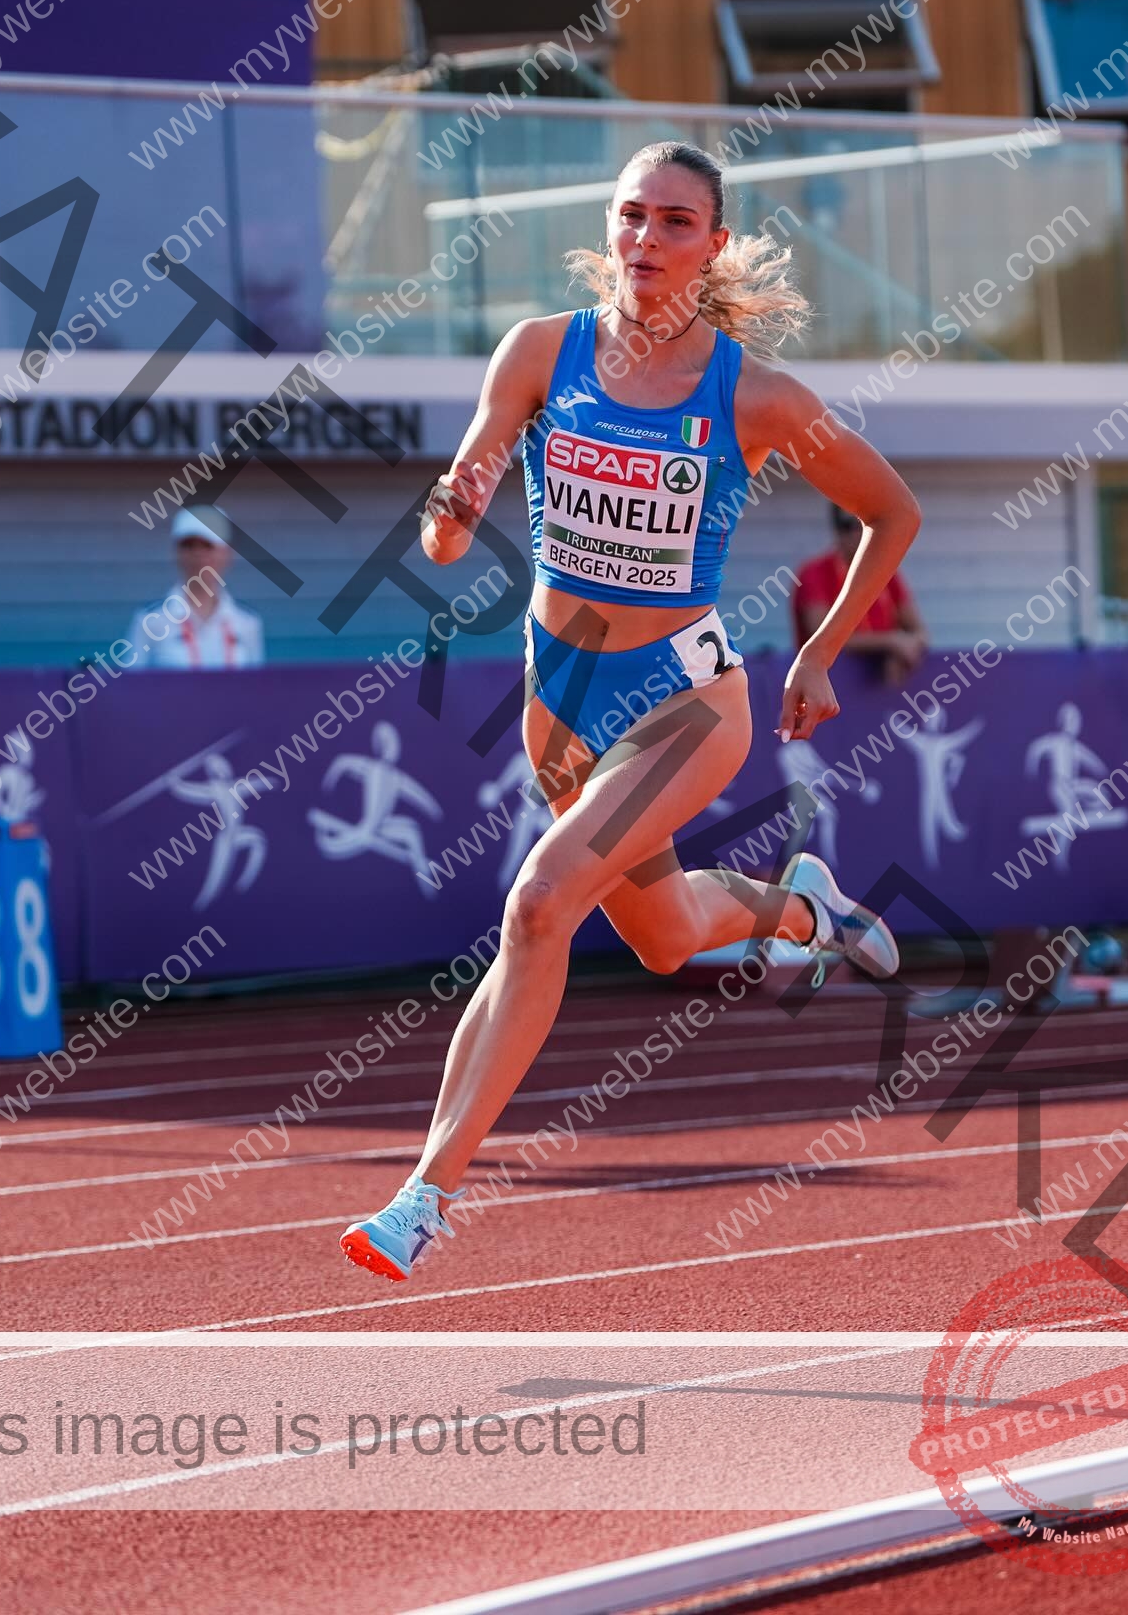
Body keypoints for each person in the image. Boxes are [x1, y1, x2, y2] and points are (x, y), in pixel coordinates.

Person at [339, 140, 921, 1283]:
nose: (646, 238)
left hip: (684, 701)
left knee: (539, 905)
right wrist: (451, 512)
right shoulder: (537, 352)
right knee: (662, 940)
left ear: (713, 245)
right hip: (558, 699)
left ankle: (422, 1198)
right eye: (631, 215)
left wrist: (818, 653)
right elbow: (446, 533)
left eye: (675, 222)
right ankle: (800, 909)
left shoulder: (754, 393)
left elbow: (890, 513)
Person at [792, 505, 927, 684]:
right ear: (838, 531)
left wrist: (903, 650)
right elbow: (821, 639)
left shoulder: (887, 571)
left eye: (867, 524)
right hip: (829, 684)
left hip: (879, 685)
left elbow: (920, 631)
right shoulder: (814, 573)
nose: (859, 533)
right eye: (849, 525)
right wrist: (891, 642)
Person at [124, 505, 265, 669]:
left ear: (227, 553)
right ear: (176, 552)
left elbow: (257, 682)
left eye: (207, 545)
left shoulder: (247, 621)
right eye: (188, 546)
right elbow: (132, 681)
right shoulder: (151, 620)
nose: (198, 554)